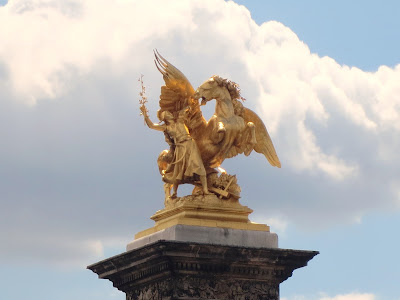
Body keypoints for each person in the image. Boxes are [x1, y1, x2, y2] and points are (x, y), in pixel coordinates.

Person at [140, 105, 209, 198]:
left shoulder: (180, 119)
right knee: (178, 170)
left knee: (198, 165)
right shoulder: (166, 127)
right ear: (163, 118)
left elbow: (187, 108)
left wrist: (190, 105)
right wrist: (145, 114)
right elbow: (151, 126)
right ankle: (174, 192)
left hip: (190, 144)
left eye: (168, 112)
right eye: (165, 114)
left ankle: (205, 189)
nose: (168, 114)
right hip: (180, 148)